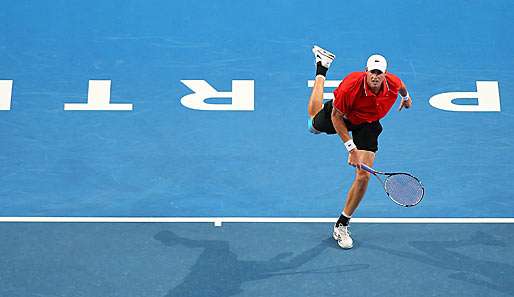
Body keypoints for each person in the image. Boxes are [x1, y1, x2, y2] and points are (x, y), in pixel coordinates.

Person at [308, 45, 413, 249]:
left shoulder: (392, 82)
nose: (375, 76)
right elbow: (336, 117)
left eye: (379, 73)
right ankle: (322, 68)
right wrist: (351, 148)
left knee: (363, 174)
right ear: (366, 72)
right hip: (343, 115)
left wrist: (406, 98)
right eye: (372, 72)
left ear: (384, 75)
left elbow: (402, 86)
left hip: (368, 123)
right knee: (313, 125)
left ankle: (342, 224)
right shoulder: (350, 86)